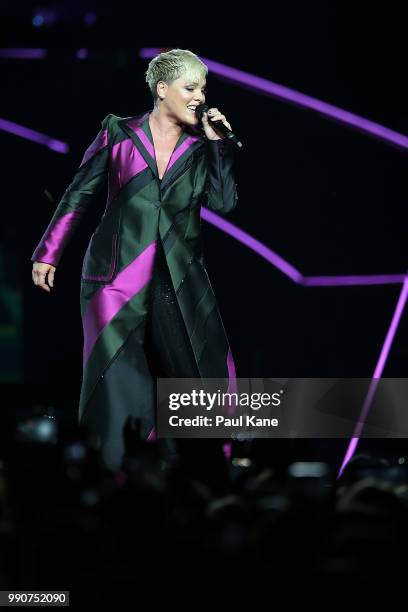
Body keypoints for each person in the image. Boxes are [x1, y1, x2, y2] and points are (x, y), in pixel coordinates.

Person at [31, 48, 238, 479]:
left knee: (192, 376)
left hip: (176, 279)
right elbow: (79, 192)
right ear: (163, 90)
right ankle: (116, 474)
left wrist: (220, 149)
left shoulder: (201, 147)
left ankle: (201, 474)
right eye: (191, 87)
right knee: (119, 379)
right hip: (114, 277)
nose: (200, 96)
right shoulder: (118, 132)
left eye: (203, 88)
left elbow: (223, 203)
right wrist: (49, 252)